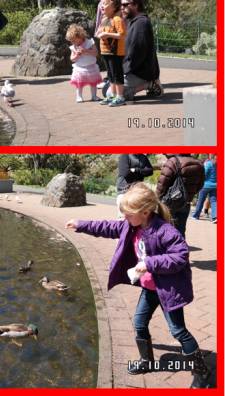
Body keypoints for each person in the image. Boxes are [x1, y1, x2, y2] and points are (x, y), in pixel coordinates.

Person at [64, 183, 215, 388]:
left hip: (168, 291)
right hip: (149, 289)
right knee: (139, 323)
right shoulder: (131, 225)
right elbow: (107, 227)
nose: (124, 218)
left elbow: (180, 256)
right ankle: (146, 361)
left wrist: (150, 263)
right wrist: (79, 224)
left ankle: (202, 374)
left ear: (145, 212)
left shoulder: (165, 231)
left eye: (127, 214)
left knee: (178, 331)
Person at [111, 0, 162, 101]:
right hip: (132, 70)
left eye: (125, 5)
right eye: (121, 5)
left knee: (115, 93)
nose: (122, 8)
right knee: (109, 87)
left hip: (139, 72)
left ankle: (150, 84)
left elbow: (138, 53)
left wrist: (124, 70)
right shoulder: (133, 22)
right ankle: (147, 84)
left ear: (135, 5)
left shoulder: (141, 23)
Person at [156, 154, 205, 238]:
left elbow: (162, 183)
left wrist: (158, 198)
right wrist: (190, 195)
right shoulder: (198, 163)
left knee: (167, 227)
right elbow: (200, 184)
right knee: (181, 228)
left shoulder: (173, 162)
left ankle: (168, 248)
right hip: (186, 202)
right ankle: (180, 248)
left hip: (170, 202)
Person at [95, 0, 127, 106]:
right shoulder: (104, 20)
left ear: (114, 7)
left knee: (117, 74)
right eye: (101, 3)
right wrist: (99, 33)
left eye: (105, 3)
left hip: (116, 53)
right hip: (105, 52)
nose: (102, 6)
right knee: (110, 75)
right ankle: (112, 96)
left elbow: (122, 35)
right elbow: (98, 33)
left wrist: (108, 35)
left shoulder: (118, 20)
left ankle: (120, 97)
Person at [67, 24, 102, 103]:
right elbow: (72, 59)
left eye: (73, 40)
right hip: (80, 68)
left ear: (80, 37)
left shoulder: (89, 43)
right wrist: (77, 55)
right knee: (79, 83)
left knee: (93, 82)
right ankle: (79, 96)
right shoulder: (73, 47)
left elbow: (96, 52)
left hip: (91, 67)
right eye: (71, 41)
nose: (72, 42)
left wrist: (86, 51)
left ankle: (94, 95)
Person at [117, 154, 154, 219]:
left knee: (137, 219)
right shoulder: (125, 156)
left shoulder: (143, 157)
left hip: (137, 192)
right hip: (124, 191)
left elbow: (150, 171)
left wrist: (136, 170)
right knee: (124, 218)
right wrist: (142, 173)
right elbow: (126, 173)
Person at [191, 155, 216, 224]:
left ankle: (196, 215)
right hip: (216, 186)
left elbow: (204, 175)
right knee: (214, 201)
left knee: (201, 200)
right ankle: (215, 217)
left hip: (206, 186)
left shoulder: (209, 164)